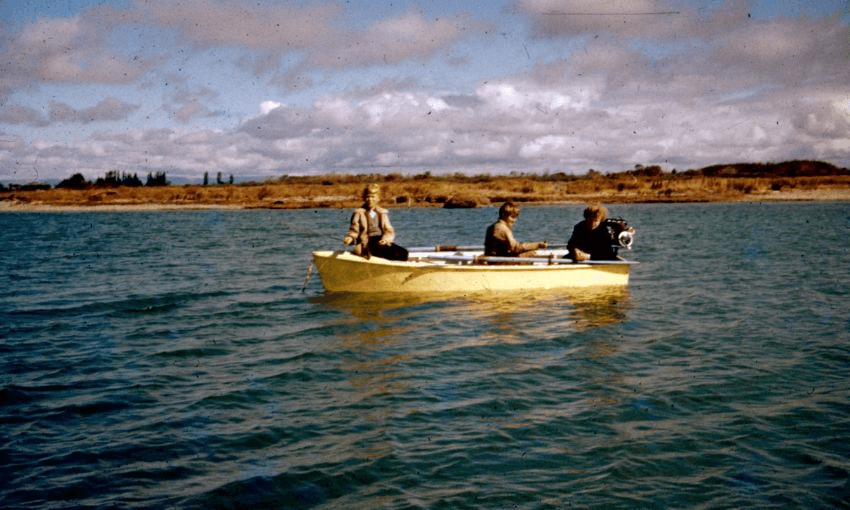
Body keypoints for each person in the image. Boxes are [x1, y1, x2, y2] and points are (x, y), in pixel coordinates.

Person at [343, 184, 408, 261]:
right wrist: (349, 238)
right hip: (366, 243)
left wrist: (385, 240)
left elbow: (389, 231)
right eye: (368, 197)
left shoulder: (382, 213)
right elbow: (354, 230)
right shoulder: (359, 213)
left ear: (378, 198)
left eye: (373, 197)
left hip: (380, 242)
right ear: (364, 198)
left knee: (404, 253)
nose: (370, 199)